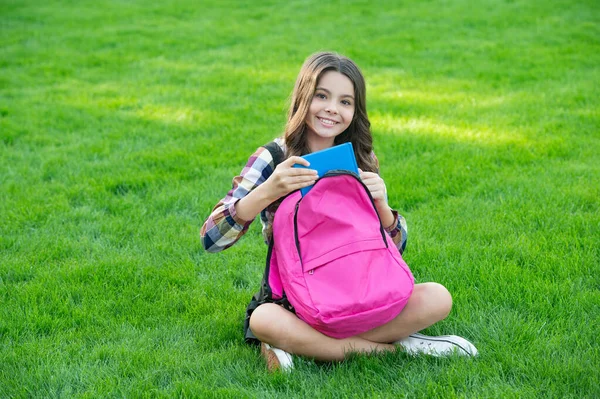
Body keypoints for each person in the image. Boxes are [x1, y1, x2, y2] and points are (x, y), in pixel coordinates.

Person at [201, 51, 478, 372]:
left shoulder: (359, 159)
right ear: (303, 97)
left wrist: (382, 207)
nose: (332, 108)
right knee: (264, 319)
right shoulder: (274, 157)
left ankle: (308, 346)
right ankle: (396, 348)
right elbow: (211, 237)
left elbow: (394, 249)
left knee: (438, 298)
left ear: (355, 111)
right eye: (322, 96)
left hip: (361, 288)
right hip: (295, 299)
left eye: (345, 102)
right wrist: (269, 190)